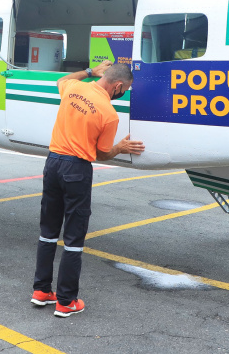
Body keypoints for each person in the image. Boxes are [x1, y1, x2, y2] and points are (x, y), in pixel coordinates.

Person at [31, 60, 145, 317]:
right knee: (73, 238)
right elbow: (102, 154)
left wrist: (90, 71)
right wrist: (120, 148)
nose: (124, 92)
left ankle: (41, 291)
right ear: (117, 86)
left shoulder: (73, 88)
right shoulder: (108, 114)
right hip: (76, 170)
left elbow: (59, 81)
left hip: (53, 163)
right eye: (125, 88)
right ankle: (66, 301)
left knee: (48, 232)